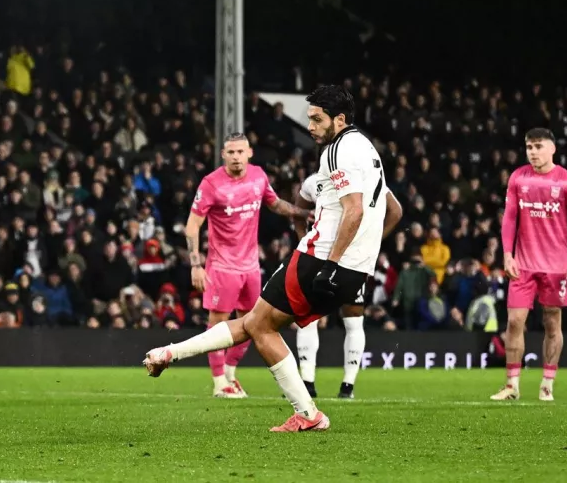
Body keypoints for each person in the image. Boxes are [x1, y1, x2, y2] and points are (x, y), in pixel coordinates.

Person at [145, 85, 387, 432]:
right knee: (257, 323)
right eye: (309, 119)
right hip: (356, 269)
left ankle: (306, 413)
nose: (311, 126)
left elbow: (354, 210)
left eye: (317, 119)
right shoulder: (365, 147)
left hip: (321, 259)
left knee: (257, 324)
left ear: (340, 120)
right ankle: (170, 355)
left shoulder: (337, 151)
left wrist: (330, 263)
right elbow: (383, 209)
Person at [185, 132, 312, 398]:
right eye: (231, 152)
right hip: (221, 267)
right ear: (223, 155)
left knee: (254, 322)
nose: (236, 157)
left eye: (240, 152)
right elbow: (192, 225)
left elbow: (275, 204)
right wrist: (196, 264)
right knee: (218, 324)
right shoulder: (211, 184)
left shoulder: (258, 176)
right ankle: (219, 381)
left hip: (251, 267)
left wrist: (301, 213)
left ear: (249, 152)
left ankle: (231, 373)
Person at [492, 128, 567, 401]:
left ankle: (547, 382)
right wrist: (508, 255)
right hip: (523, 264)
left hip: (555, 266)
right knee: (514, 321)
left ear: (552, 149)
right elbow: (509, 219)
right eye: (529, 147)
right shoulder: (518, 178)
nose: (532, 152)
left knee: (552, 323)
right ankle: (512, 384)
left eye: (538, 146)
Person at [293, 188, 403, 399]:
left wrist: (303, 237)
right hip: (351, 259)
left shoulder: (317, 180)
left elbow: (396, 212)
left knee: (311, 319)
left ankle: (309, 384)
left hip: (325, 257)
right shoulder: (368, 178)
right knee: (351, 322)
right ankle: (346, 386)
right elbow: (395, 211)